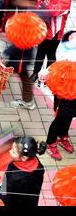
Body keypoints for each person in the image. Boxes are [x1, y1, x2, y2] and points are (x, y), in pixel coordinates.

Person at [31, 0, 76, 82]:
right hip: (43, 29)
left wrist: (45, 0)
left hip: (54, 33)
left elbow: (54, 12)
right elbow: (39, 7)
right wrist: (40, 0)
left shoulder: (66, 0)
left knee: (50, 55)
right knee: (40, 52)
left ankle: (50, 75)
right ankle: (36, 73)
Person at [0, 136, 46, 207]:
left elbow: (4, 196)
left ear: (24, 158)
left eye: (13, 152)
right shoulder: (37, 164)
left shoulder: (14, 177)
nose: (10, 152)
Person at [45, 30, 76, 160]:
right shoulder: (64, 51)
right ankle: (50, 143)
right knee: (60, 117)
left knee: (69, 116)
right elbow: (56, 67)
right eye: (72, 36)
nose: (74, 38)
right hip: (64, 91)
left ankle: (63, 135)